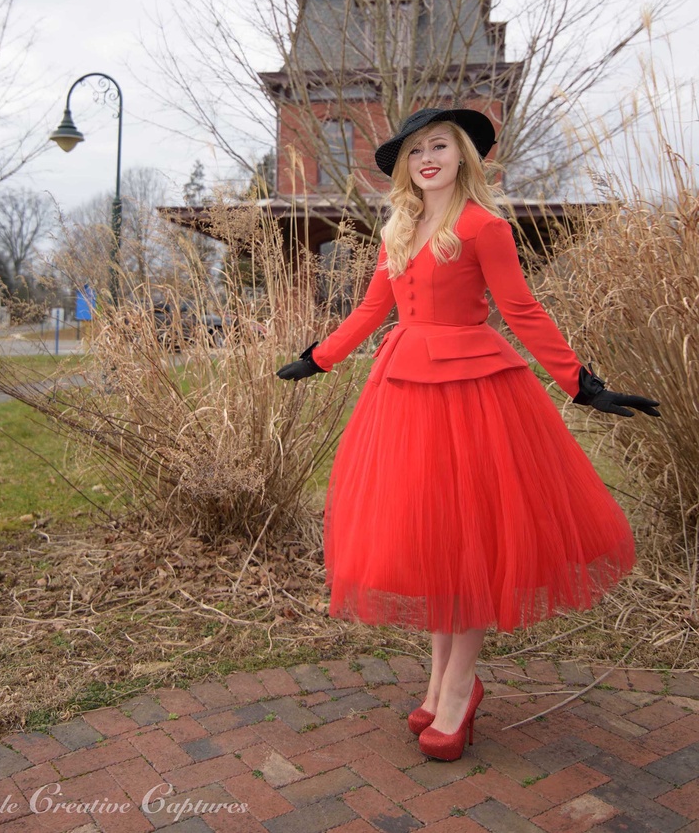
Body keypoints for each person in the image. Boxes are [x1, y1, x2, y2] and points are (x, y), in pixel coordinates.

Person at [276, 107, 660, 762]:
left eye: (440, 147)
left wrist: (581, 383)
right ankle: (441, 682)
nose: (427, 158)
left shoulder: (484, 226)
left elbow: (521, 310)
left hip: (476, 398)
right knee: (434, 538)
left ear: (462, 158)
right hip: (404, 396)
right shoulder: (399, 227)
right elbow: (374, 308)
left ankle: (458, 691)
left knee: (469, 538)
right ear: (405, 165)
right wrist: (321, 356)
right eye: (417, 149)